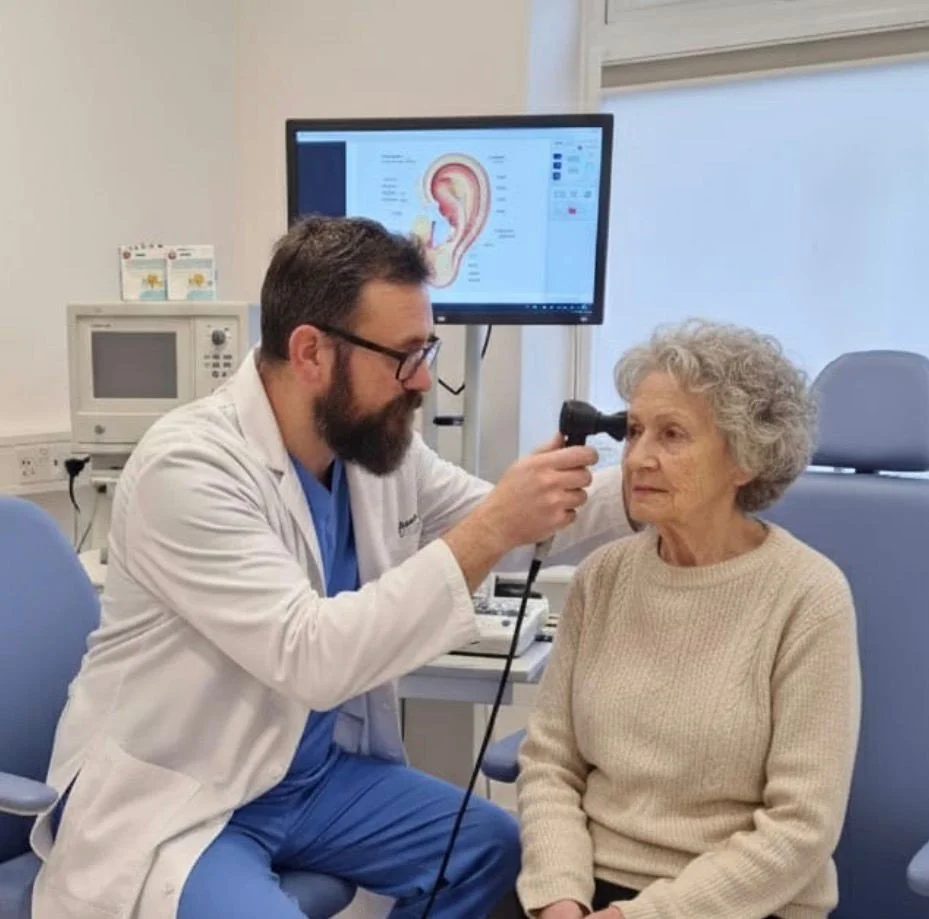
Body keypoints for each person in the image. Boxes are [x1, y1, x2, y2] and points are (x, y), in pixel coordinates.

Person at [30, 216, 629, 919]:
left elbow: (522, 520)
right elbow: (312, 655)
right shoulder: (188, 467)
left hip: (308, 778)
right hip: (190, 793)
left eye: (427, 347)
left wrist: (654, 473)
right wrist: (493, 527)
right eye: (405, 355)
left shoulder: (370, 447)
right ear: (311, 351)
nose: (425, 379)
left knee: (490, 845)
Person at [515, 320, 861, 919]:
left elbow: (801, 827)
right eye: (635, 432)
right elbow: (550, 764)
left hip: (743, 902)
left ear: (745, 460)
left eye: (673, 435)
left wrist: (638, 916)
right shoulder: (604, 577)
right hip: (587, 892)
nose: (638, 458)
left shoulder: (809, 595)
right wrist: (559, 897)